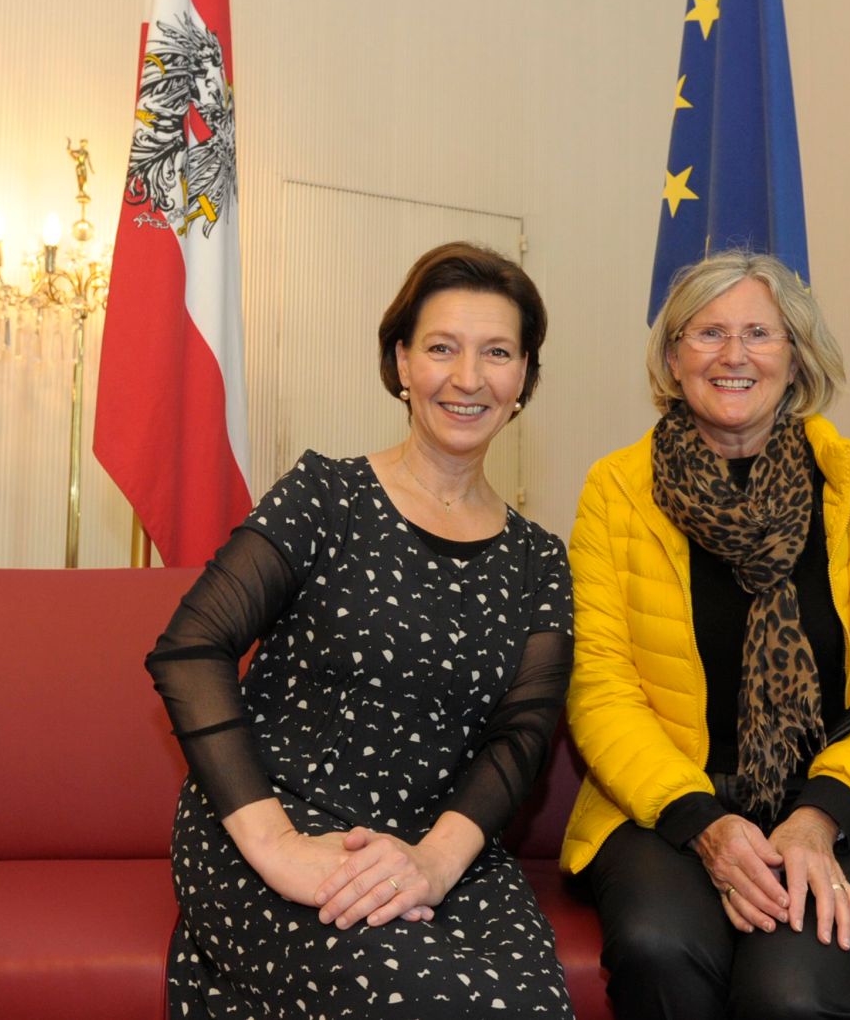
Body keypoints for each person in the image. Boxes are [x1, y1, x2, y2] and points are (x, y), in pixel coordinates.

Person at [146, 242, 575, 1019]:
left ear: (524, 380)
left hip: (442, 851)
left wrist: (435, 865)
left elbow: (523, 735)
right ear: (402, 361)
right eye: (442, 348)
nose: (468, 378)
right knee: (417, 997)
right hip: (281, 829)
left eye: (497, 353)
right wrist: (277, 848)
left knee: (531, 1004)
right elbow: (190, 649)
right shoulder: (327, 495)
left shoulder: (540, 560)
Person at [560, 250, 850, 1020]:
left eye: (759, 334)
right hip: (667, 806)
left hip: (839, 811)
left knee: (791, 993)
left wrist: (819, 816)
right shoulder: (615, 491)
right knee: (658, 947)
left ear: (795, 355)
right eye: (708, 332)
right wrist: (703, 825)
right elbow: (599, 687)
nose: (734, 355)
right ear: (673, 357)